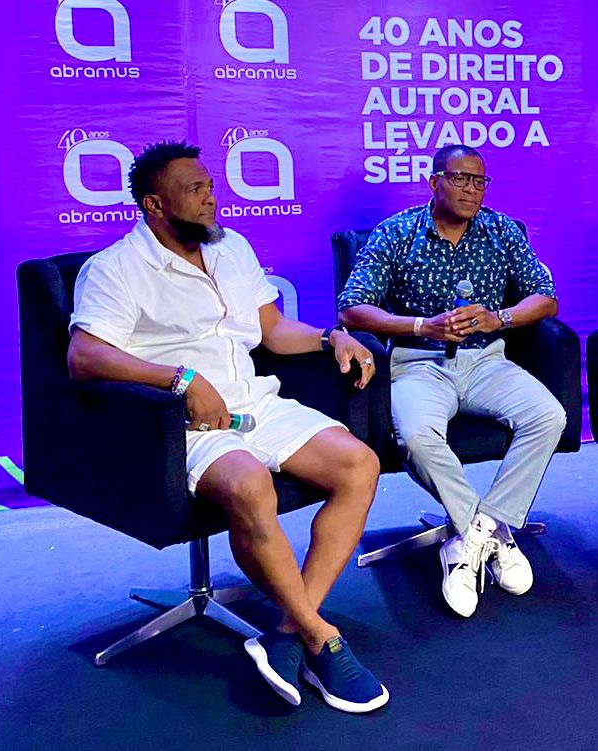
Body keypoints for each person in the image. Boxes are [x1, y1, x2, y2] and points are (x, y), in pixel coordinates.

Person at [67, 140, 389, 713]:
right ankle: (322, 638)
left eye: (211, 186)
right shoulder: (115, 269)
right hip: (184, 425)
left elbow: (272, 332)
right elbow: (84, 357)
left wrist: (330, 336)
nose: (211, 198)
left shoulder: (232, 247)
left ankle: (289, 630)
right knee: (248, 485)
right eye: (195, 190)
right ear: (154, 205)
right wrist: (180, 379)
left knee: (359, 465)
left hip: (256, 403)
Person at [338, 144, 566, 619]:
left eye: (479, 181)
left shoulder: (502, 230)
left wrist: (499, 318)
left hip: (487, 361)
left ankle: (481, 530)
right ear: (434, 181)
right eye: (460, 178)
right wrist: (422, 326)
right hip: (418, 363)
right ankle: (485, 535)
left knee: (550, 416)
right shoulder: (398, 232)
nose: (471, 190)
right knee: (416, 437)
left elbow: (545, 298)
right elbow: (353, 308)